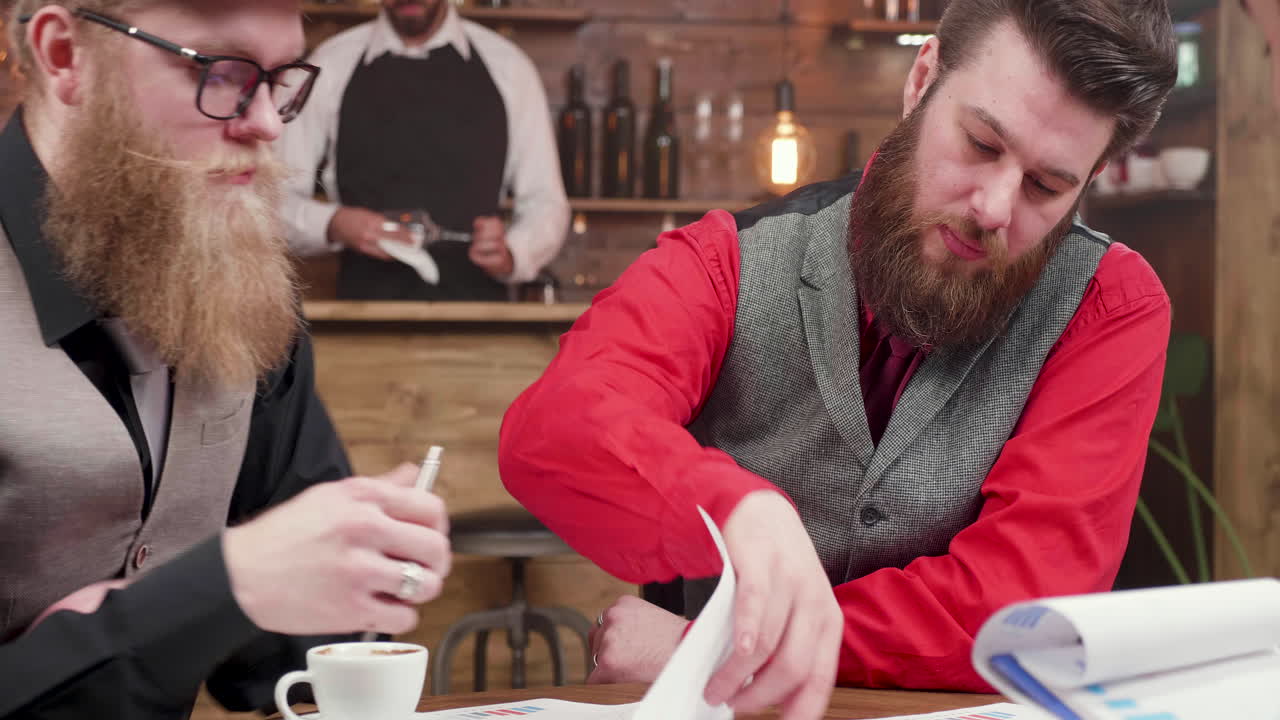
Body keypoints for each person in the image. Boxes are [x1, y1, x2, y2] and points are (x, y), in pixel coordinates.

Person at [499, 0, 1179, 717]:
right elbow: (556, 430)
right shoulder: (726, 261)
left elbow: (1019, 606)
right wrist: (738, 508)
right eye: (981, 143)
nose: (994, 208)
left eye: (1048, 186)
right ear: (922, 82)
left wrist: (714, 647)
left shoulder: (1110, 306)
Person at [0, 2, 451, 718]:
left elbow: (291, 662)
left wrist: (361, 565)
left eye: (280, 81)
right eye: (222, 72)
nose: (268, 123)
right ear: (65, 56)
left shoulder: (244, 291)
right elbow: (228, 589)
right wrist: (218, 586)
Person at [279, 0, 569, 301]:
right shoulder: (330, 64)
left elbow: (545, 201)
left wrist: (512, 252)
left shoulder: (509, 67)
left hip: (482, 317)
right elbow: (272, 202)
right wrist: (334, 224)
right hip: (362, 314)